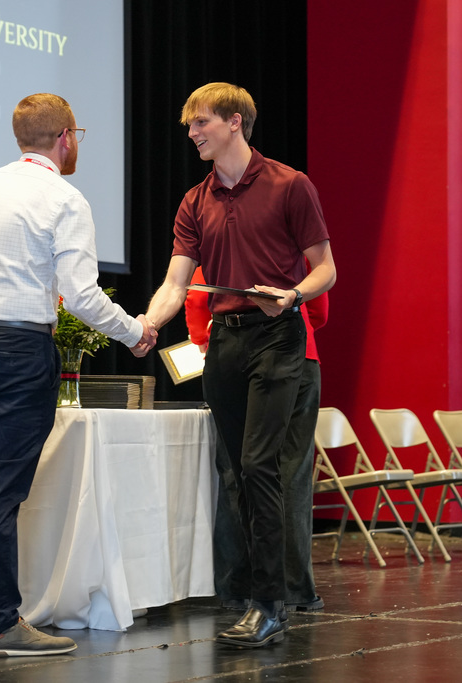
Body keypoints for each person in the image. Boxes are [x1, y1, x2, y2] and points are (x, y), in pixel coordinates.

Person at [0, 93, 156, 657]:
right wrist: (133, 332)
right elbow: (78, 294)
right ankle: (1, 624)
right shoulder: (64, 198)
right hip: (17, 350)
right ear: (66, 138)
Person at [143, 82, 335, 648]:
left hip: (277, 334)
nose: (192, 133)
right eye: (189, 126)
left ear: (234, 121)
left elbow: (326, 269)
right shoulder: (194, 200)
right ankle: (258, 596)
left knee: (260, 466)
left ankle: (270, 603)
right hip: (225, 342)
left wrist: (293, 295)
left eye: (200, 123)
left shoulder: (289, 185)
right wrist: (147, 326)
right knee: (238, 471)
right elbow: (176, 283)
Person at [185, 266, 328, 613]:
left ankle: (237, 587)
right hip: (297, 352)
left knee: (237, 470)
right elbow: (319, 309)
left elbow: (196, 296)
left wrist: (202, 339)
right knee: (291, 473)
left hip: (232, 354)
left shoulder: (222, 235)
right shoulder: (292, 242)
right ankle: (295, 589)